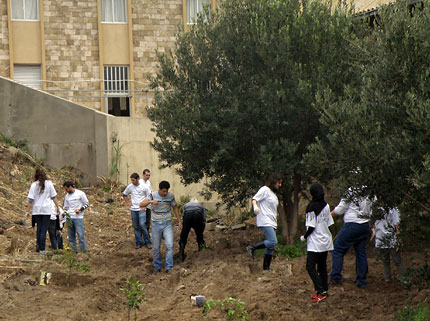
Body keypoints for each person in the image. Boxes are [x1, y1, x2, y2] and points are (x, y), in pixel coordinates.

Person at [330, 189, 372, 288]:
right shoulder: (370, 190)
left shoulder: (351, 190)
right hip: (365, 225)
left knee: (337, 249)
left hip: (352, 223)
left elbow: (340, 210)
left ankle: (335, 277)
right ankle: (361, 280)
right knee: (361, 252)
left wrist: (328, 214)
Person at [300, 183, 334, 303]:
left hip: (315, 242)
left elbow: (311, 227)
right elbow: (330, 222)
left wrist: (304, 237)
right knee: (322, 267)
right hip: (325, 240)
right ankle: (324, 289)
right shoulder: (326, 205)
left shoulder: (311, 207)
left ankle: (320, 290)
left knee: (310, 266)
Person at [140, 181, 182, 274]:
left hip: (167, 224)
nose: (165, 193)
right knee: (155, 247)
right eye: (163, 191)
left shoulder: (170, 196)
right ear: (159, 189)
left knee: (170, 245)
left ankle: (169, 267)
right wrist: (151, 202)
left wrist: (179, 221)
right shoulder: (153, 195)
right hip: (156, 224)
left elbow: (174, 207)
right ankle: (157, 266)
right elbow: (141, 204)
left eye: (166, 191)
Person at [246, 173, 283, 271]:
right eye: (279, 183)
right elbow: (255, 199)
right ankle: (252, 247)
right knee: (273, 241)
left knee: (271, 246)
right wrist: (255, 207)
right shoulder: (265, 190)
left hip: (272, 221)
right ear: (274, 181)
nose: (280, 185)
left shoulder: (273, 194)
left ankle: (266, 268)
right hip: (265, 220)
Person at [27, 168, 59, 254]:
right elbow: (53, 197)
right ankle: (42, 249)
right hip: (46, 210)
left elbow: (30, 200)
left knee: (39, 229)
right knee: (44, 230)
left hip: (36, 210)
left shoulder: (33, 185)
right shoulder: (49, 184)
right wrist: (58, 207)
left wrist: (28, 211)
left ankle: (38, 249)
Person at [374, 207, 405, 282]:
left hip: (391, 237)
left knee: (396, 259)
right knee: (385, 260)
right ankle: (387, 278)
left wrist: (397, 235)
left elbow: (396, 223)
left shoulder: (393, 209)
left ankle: (404, 278)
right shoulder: (376, 207)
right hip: (380, 236)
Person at [123, 173, 152, 249]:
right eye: (131, 180)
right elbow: (124, 194)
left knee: (142, 225)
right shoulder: (130, 187)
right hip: (133, 209)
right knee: (136, 227)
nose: (132, 182)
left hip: (141, 209)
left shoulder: (144, 187)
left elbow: (149, 196)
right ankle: (138, 242)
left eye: (133, 180)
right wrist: (128, 202)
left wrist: (145, 205)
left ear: (138, 179)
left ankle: (147, 241)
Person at [63, 181, 90, 253]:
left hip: (78, 217)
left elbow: (87, 204)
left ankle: (83, 251)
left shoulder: (80, 194)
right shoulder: (67, 196)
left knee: (80, 235)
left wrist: (80, 210)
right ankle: (74, 252)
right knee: (71, 236)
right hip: (69, 217)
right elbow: (66, 207)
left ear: (71, 187)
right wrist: (64, 215)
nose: (66, 191)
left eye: (67, 189)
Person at [178, 198, 206, 262]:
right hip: (197, 215)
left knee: (183, 236)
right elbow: (204, 220)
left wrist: (185, 226)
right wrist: (201, 231)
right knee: (199, 235)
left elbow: (184, 215)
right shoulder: (201, 206)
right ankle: (202, 250)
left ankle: (181, 256)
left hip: (187, 215)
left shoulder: (185, 205)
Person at [139, 169, 153, 234]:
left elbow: (151, 193)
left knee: (148, 222)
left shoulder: (148, 182)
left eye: (149, 175)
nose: (148, 176)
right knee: (142, 222)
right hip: (142, 205)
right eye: (146, 175)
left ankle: (146, 236)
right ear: (143, 175)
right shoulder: (140, 182)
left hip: (148, 205)